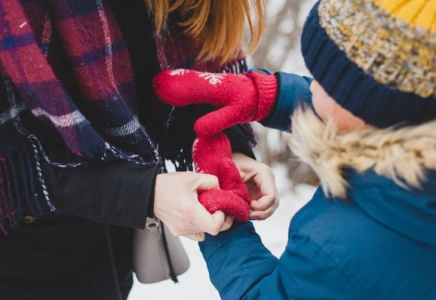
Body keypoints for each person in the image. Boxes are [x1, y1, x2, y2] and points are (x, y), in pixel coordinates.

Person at [153, 0, 436, 298]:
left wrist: (225, 227)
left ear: (375, 106)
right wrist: (269, 97)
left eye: (326, 81)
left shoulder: (338, 248)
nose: (312, 87)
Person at [0, 0, 278, 299]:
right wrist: (142, 193)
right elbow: (15, 156)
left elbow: (206, 79)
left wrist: (230, 152)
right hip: (22, 252)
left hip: (114, 243)